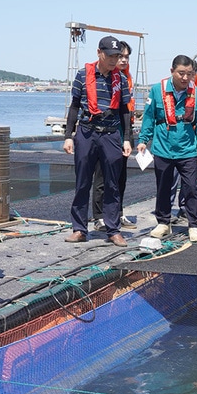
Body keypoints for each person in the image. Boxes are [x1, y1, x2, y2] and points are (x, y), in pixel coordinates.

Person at [63, 36, 133, 246]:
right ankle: (79, 228)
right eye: (110, 55)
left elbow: (125, 112)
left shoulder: (120, 79)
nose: (114, 60)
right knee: (82, 181)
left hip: (111, 133)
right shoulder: (83, 75)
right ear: (99, 53)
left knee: (112, 182)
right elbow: (74, 106)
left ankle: (113, 229)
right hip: (87, 132)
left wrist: (127, 138)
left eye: (117, 56)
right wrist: (68, 135)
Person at [140, 55, 197, 243]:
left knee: (190, 187)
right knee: (163, 186)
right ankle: (163, 221)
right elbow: (149, 117)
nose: (185, 78)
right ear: (172, 71)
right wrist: (143, 139)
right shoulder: (157, 90)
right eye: (181, 73)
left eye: (190, 74)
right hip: (163, 146)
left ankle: (194, 224)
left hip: (187, 148)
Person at [92, 42, 135, 231]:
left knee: (121, 176)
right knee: (102, 175)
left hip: (122, 131)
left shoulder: (126, 79)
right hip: (105, 131)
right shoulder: (104, 77)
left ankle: (118, 211)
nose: (123, 60)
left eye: (126, 57)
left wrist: (128, 136)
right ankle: (99, 215)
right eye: (120, 56)